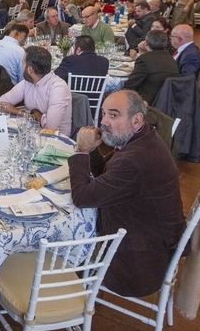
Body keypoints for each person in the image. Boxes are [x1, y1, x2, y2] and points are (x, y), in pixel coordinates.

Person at [69, 90, 184, 297]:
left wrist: (82, 151)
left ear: (136, 119)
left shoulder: (134, 160)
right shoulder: (143, 138)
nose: (104, 122)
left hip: (138, 257)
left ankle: (66, 292)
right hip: (152, 235)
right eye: (103, 113)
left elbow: (82, 198)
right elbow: (109, 174)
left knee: (64, 246)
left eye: (113, 115)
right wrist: (94, 151)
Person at [0, 46, 73, 136]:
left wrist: (34, 112)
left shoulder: (58, 88)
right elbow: (1, 102)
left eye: (22, 63)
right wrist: (23, 113)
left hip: (56, 140)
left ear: (30, 70)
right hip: (32, 133)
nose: (21, 66)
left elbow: (50, 127)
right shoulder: (28, 82)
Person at [123, 29, 179, 103]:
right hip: (168, 100)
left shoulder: (144, 59)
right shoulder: (170, 58)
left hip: (147, 100)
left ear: (146, 44)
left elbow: (130, 85)